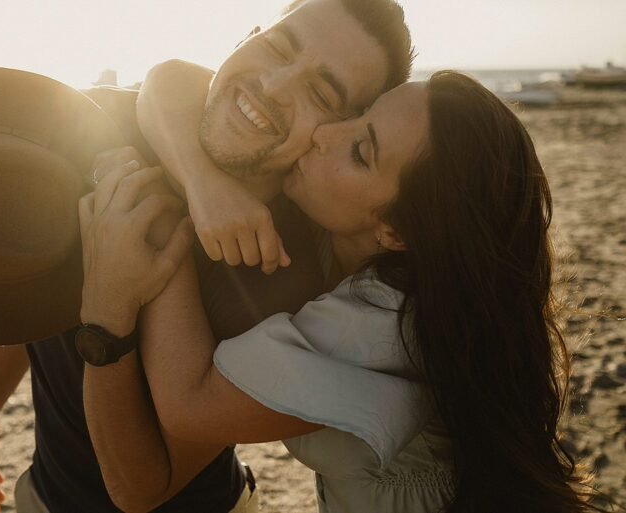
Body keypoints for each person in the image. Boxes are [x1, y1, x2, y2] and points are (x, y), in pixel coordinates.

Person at [0, 0, 413, 511]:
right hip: (41, 493)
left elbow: (146, 487)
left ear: (335, 134)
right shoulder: (99, 125)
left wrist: (118, 302)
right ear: (247, 37)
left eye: (321, 94)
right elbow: (34, 284)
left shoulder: (278, 278)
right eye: (278, 47)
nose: (274, 85)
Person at [77, 69, 606, 512]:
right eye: (358, 112)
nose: (322, 133)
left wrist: (158, 231)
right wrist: (199, 179)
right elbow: (174, 80)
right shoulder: (360, 246)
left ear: (397, 230)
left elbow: (187, 405)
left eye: (359, 150)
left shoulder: (383, 325)